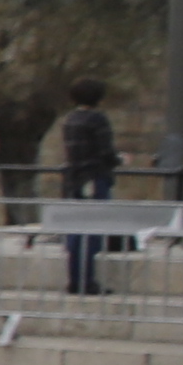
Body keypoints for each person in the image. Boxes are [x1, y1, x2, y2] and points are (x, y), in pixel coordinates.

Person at [57, 80, 125, 293]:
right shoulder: (97, 120)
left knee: (75, 232)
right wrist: (119, 160)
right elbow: (105, 152)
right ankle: (87, 280)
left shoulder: (70, 120)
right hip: (94, 178)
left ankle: (74, 279)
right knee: (92, 231)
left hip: (74, 180)